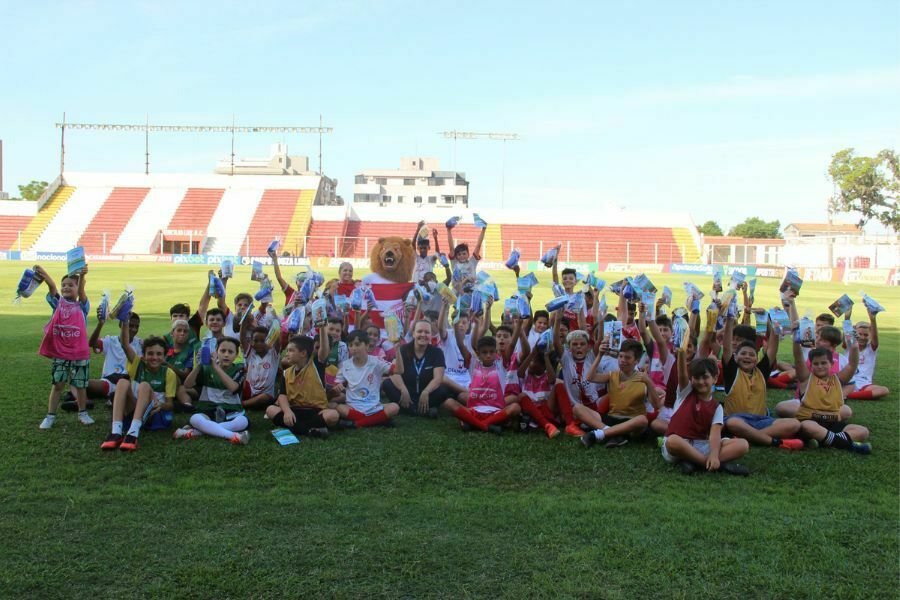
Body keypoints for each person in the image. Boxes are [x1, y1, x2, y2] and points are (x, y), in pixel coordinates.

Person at [660, 348, 751, 475]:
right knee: (672, 441)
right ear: (691, 378)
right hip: (680, 444)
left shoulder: (717, 407)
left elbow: (715, 434)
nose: (701, 382)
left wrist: (714, 454)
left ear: (715, 378)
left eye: (705, 377)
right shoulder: (685, 392)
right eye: (696, 378)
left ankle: (694, 462)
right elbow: (681, 374)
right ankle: (711, 465)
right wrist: (681, 353)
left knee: (743, 445)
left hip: (701, 444)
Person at [720, 314, 803, 450]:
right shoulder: (732, 372)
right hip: (738, 420)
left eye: (751, 354)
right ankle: (776, 442)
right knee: (733, 423)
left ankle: (750, 438)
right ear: (736, 357)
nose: (747, 357)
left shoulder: (761, 372)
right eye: (743, 354)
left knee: (795, 424)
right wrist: (729, 321)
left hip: (760, 420)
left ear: (756, 359)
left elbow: (772, 348)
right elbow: (727, 348)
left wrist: (770, 321)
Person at [100, 318, 177, 451]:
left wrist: (161, 405)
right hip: (135, 409)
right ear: (143, 356)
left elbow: (170, 404)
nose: (154, 357)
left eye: (159, 354)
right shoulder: (137, 365)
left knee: (144, 385)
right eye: (150, 354)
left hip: (154, 414)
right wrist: (125, 320)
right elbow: (125, 345)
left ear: (164, 357)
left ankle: (133, 433)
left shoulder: (168, 373)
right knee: (122, 382)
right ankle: (116, 432)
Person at [34, 264, 94, 429]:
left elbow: (82, 292)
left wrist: (82, 277)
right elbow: (52, 287)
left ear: (77, 288)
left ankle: (83, 413)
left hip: (80, 354)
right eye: (64, 285)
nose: (66, 287)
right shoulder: (58, 304)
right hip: (61, 353)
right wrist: (43, 273)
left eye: (70, 285)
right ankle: (50, 416)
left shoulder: (82, 306)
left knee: (80, 385)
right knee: (58, 385)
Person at [792, 336, 871, 454]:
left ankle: (824, 440)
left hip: (833, 423)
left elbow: (852, 364)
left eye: (824, 363)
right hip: (811, 421)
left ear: (831, 363)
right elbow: (798, 359)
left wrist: (854, 347)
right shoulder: (806, 379)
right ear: (811, 365)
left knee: (863, 431)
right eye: (816, 364)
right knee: (807, 426)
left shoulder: (837, 379)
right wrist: (796, 339)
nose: (820, 366)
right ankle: (849, 445)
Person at [580, 339, 657, 448]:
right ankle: (613, 433)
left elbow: (656, 405)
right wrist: (600, 355)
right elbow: (589, 377)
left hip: (631, 421)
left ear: (637, 360)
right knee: (577, 408)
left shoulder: (643, 378)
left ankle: (598, 434)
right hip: (612, 418)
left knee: (642, 420)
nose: (622, 360)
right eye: (620, 356)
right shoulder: (612, 375)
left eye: (627, 357)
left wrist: (649, 383)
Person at [176, 337, 249, 444]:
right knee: (195, 419)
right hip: (207, 409)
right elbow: (187, 385)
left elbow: (233, 387)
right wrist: (199, 365)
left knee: (243, 421)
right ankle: (234, 436)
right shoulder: (206, 368)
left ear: (236, 355)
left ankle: (197, 432)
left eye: (230, 352)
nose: (226, 355)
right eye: (222, 351)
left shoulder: (239, 369)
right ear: (216, 351)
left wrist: (215, 366)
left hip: (231, 410)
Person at [265, 335, 339, 438]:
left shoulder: (316, 365)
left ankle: (296, 428)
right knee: (270, 410)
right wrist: (287, 411)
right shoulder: (287, 372)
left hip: (315, 411)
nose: (287, 354)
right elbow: (282, 395)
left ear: (303, 353)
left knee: (333, 415)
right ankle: (309, 431)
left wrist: (322, 328)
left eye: (291, 350)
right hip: (294, 411)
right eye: (287, 350)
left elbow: (324, 349)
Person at [451, 336, 521, 434]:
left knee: (515, 407)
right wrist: (456, 326)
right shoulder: (473, 365)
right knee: (449, 403)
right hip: (474, 411)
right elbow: (460, 345)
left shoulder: (501, 366)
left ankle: (477, 424)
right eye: (484, 352)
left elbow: (512, 345)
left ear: (496, 352)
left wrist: (519, 328)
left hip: (495, 412)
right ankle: (489, 425)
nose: (488, 355)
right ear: (478, 354)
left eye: (491, 352)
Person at [383, 320, 454, 416]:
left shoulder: (437, 352)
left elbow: (438, 378)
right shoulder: (403, 349)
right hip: (407, 391)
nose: (423, 334)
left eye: (427, 332)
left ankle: (409, 409)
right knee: (387, 384)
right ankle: (424, 410)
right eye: (419, 331)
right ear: (413, 333)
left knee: (443, 390)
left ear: (431, 335)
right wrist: (403, 389)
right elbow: (394, 372)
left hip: (427, 392)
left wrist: (426, 392)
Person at [333, 330, 402, 428]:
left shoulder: (376, 362)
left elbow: (399, 370)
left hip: (374, 407)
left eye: (357, 344)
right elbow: (337, 384)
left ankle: (356, 424)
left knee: (394, 407)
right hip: (353, 407)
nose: (353, 348)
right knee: (339, 408)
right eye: (350, 345)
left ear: (367, 345)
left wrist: (398, 351)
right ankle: (378, 420)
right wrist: (338, 386)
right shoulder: (345, 365)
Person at [845, 308, 889, 400]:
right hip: (848, 381)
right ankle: (849, 393)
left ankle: (848, 395)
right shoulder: (850, 345)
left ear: (870, 335)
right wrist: (847, 318)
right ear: (854, 333)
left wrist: (873, 319)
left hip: (864, 384)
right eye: (860, 334)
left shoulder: (871, 348)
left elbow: (875, 338)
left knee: (884, 390)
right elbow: (847, 333)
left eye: (866, 335)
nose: (862, 337)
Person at [517, 344, 560, 438]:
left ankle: (547, 424)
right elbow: (519, 372)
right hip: (531, 412)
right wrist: (532, 354)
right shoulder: (527, 375)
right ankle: (547, 426)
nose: (530, 364)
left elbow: (552, 380)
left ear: (543, 366)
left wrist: (546, 357)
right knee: (521, 396)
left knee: (559, 386)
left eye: (533, 361)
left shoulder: (547, 376)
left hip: (545, 410)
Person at [240, 325, 280, 409]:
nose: (259, 344)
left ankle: (242, 404)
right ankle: (248, 402)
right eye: (256, 340)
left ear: (269, 341)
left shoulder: (273, 354)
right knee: (238, 384)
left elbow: (277, 340)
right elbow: (242, 338)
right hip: (249, 391)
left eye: (263, 341)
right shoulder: (251, 353)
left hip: (265, 394)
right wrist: (244, 322)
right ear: (251, 341)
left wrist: (275, 326)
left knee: (264, 398)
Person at [446, 219, 486, 294]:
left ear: (468, 254)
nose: (462, 256)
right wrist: (448, 230)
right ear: (456, 256)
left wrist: (483, 229)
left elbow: (478, 245)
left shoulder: (472, 262)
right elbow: (451, 248)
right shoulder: (455, 263)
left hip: (471, 293)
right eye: (459, 254)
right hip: (457, 293)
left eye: (464, 253)